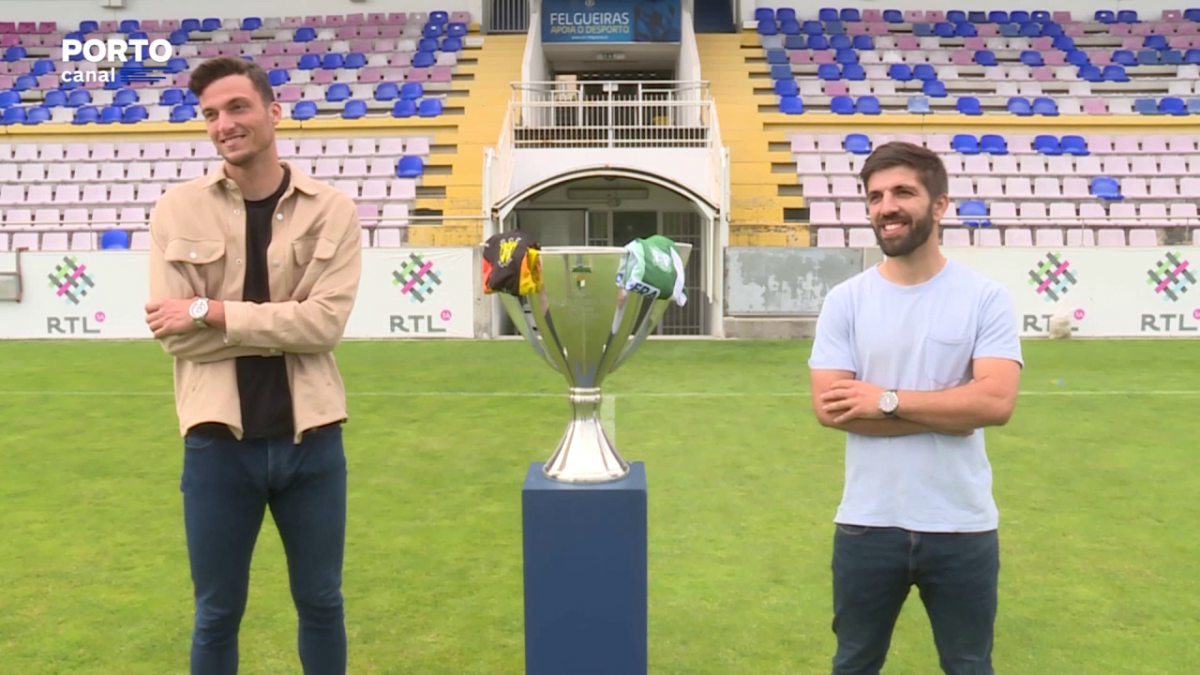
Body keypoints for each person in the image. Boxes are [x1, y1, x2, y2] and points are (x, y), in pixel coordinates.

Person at [143, 56, 362, 675]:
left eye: (236, 107)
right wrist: (280, 325)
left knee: (322, 604)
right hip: (217, 445)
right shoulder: (176, 210)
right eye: (210, 114)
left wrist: (209, 310)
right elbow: (174, 339)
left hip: (312, 443)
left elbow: (325, 325)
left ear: (273, 109)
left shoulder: (332, 209)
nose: (223, 124)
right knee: (215, 614)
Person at [807, 141, 1024, 675]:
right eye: (875, 196)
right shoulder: (846, 301)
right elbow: (832, 409)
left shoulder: (984, 297)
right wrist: (952, 410)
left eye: (903, 191)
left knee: (969, 665)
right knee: (854, 664)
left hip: (962, 526)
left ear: (940, 204)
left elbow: (995, 402)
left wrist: (883, 400)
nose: (886, 207)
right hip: (866, 524)